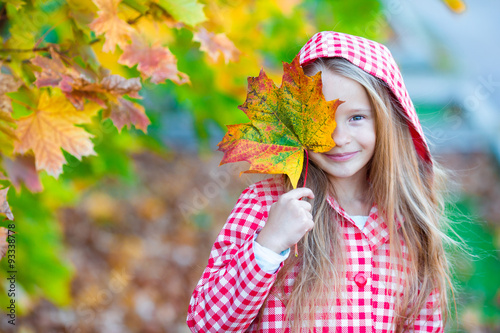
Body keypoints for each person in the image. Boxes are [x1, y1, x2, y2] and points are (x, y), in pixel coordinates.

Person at [187, 31, 453, 332]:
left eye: (357, 118)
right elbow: (206, 324)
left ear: (386, 121)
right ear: (295, 123)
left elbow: (424, 322)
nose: (338, 139)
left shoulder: (406, 221)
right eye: (321, 120)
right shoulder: (265, 207)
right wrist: (268, 245)